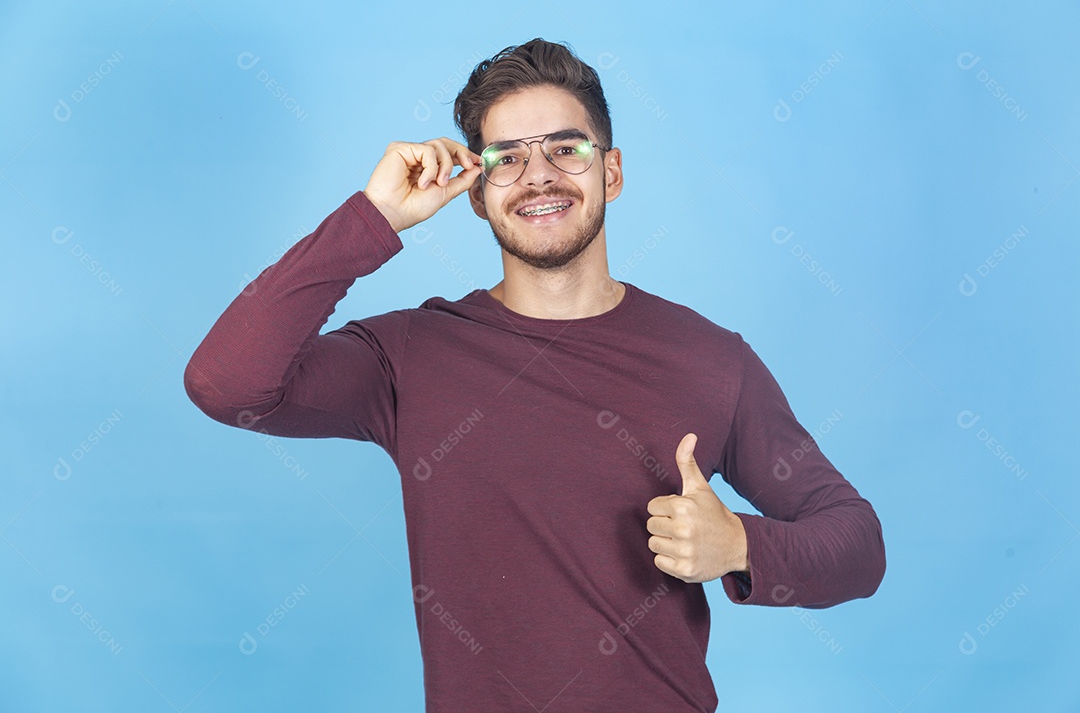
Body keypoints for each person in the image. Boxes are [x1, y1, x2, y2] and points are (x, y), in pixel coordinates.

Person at [184, 38, 885, 712]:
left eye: (565, 149)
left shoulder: (710, 358)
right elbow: (227, 384)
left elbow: (858, 545)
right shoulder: (409, 356)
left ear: (609, 172)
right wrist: (373, 219)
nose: (539, 176)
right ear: (477, 193)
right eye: (507, 159)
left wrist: (738, 543)